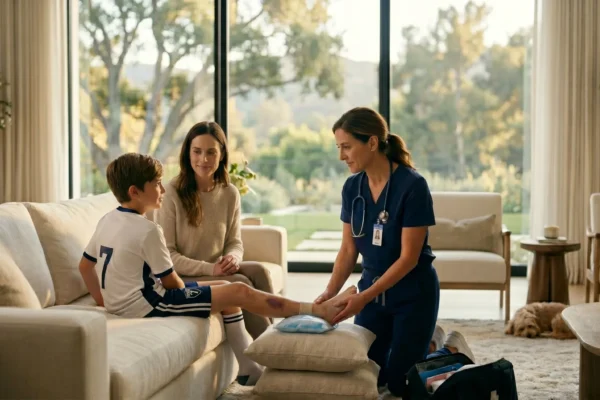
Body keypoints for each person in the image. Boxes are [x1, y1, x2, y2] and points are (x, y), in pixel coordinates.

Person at [78, 152, 356, 386]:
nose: (162, 190)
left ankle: (247, 367)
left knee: (228, 290)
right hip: (150, 303)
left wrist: (106, 300)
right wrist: (195, 291)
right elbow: (172, 283)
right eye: (157, 184)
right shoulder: (148, 230)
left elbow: (85, 266)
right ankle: (316, 310)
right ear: (134, 192)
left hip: (136, 300)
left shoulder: (107, 220)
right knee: (237, 291)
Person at [314, 107, 475, 397]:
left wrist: (362, 298)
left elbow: (408, 258)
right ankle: (426, 343)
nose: (342, 156)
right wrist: (328, 294)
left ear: (372, 143)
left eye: (347, 147)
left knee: (403, 384)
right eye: (339, 148)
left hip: (412, 295)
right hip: (373, 298)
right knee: (369, 376)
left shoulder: (413, 186)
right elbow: (348, 250)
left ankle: (451, 349)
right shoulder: (353, 187)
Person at [153, 121, 273, 339]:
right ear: (188, 153)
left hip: (214, 269)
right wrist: (211, 269)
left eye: (211, 152)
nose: (204, 159)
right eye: (197, 152)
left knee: (259, 271)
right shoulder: (171, 193)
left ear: (222, 154)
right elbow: (167, 257)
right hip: (181, 277)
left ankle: (275, 337)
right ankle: (272, 347)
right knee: (241, 283)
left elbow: (234, 241)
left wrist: (233, 258)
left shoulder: (229, 193)